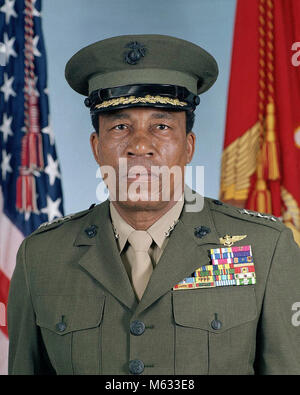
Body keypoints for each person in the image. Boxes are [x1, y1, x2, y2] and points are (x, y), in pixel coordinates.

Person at [7, 34, 300, 375]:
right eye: (120, 126)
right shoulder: (41, 257)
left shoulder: (266, 248)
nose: (140, 146)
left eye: (161, 126)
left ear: (188, 146)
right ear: (96, 147)